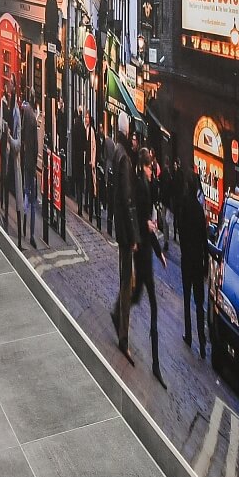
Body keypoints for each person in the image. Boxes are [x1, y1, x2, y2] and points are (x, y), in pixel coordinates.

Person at [130, 146, 167, 386]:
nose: (152, 171)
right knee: (151, 302)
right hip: (141, 252)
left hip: (145, 251)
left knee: (138, 296)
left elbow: (146, 222)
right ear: (144, 166)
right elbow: (138, 217)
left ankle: (118, 313)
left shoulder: (146, 185)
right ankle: (155, 364)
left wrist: (159, 252)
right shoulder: (140, 186)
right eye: (150, 167)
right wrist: (145, 230)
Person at [108, 132, 137, 360]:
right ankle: (123, 338)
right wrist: (133, 235)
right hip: (126, 233)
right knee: (127, 283)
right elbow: (127, 199)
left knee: (128, 279)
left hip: (120, 227)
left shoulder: (117, 151)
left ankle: (117, 312)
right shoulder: (125, 158)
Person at [178, 169, 209, 359]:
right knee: (199, 303)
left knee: (187, 299)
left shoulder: (183, 205)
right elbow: (204, 239)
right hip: (198, 260)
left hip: (187, 259)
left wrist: (184, 250)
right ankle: (202, 342)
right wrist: (205, 263)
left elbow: (180, 231)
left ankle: (189, 335)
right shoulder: (198, 209)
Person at [18, 91, 41, 248]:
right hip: (30, 163)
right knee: (32, 200)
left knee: (26, 193)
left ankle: (22, 224)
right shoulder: (33, 117)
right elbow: (35, 145)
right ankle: (31, 235)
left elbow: (22, 134)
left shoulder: (26, 113)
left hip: (25, 160)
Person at [0, 87, 18, 227]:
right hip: (6, 145)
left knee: (4, 174)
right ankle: (4, 205)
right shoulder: (6, 108)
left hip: (4, 145)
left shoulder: (3, 105)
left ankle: (2, 202)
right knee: (5, 174)